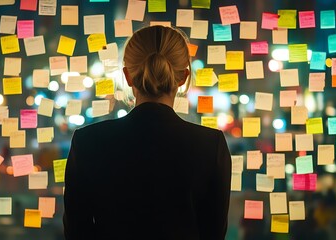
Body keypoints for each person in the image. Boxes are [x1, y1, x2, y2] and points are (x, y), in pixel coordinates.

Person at [63, 25, 232, 240]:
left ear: (128, 76)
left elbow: (76, 232)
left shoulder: (87, 142)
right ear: (182, 78)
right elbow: (214, 233)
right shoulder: (211, 145)